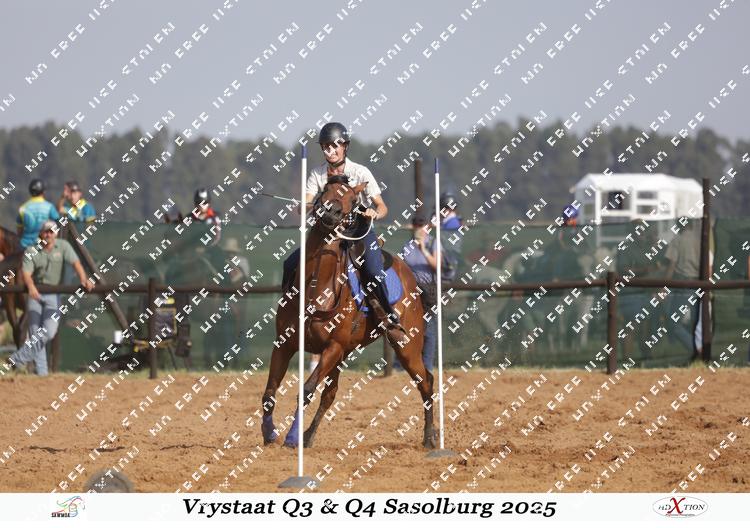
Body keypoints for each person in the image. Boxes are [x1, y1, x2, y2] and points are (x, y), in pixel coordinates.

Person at [281, 121, 406, 338]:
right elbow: (305, 206)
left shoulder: (361, 172)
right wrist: (308, 205)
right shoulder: (317, 174)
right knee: (290, 263)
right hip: (328, 236)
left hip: (360, 234)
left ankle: (389, 318)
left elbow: (382, 207)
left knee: (374, 272)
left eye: (334, 146)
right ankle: (289, 311)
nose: (330, 150)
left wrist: (374, 213)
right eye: (325, 147)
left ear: (345, 146)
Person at [8, 220, 93, 375]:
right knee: (35, 334)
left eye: (51, 231)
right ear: (41, 234)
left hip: (53, 294)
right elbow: (26, 273)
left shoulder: (63, 246)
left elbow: (76, 263)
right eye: (46, 231)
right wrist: (31, 287)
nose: (48, 234)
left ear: (56, 233)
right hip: (35, 295)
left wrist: (84, 279)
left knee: (49, 332)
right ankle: (42, 375)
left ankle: (18, 358)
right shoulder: (32, 250)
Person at [400, 215, 439, 371]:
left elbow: (437, 266)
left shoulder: (433, 243)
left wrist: (423, 249)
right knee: (406, 327)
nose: (419, 228)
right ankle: (404, 365)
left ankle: (427, 366)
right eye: (416, 225)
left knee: (428, 330)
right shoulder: (407, 246)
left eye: (422, 225)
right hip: (411, 291)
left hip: (429, 290)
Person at [665, 220, 701, 358]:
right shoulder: (700, 240)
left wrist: (664, 285)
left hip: (684, 284)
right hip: (700, 284)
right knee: (695, 323)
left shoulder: (678, 240)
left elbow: (672, 266)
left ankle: (696, 351)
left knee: (673, 323)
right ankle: (698, 352)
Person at [17, 179, 59, 249]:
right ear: (43, 191)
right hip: (43, 246)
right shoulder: (49, 207)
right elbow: (57, 224)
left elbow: (19, 231)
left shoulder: (23, 208)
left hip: (25, 246)